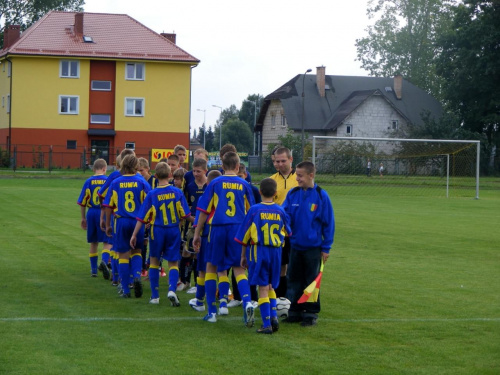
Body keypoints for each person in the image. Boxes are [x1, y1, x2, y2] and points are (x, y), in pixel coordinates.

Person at [193, 151, 255, 324]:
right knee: (239, 269)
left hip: (217, 229)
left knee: (211, 267)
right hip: (238, 230)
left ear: (222, 166)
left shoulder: (215, 183)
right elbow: (252, 212)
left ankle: (212, 312)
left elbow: (204, 211)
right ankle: (247, 302)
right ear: (237, 166)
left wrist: (197, 234)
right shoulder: (244, 184)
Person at [130, 162, 191, 305]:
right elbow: (185, 214)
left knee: (154, 262)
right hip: (173, 230)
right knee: (173, 262)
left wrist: (134, 234)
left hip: (157, 230)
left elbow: (141, 217)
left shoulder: (152, 194)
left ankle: (155, 296)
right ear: (170, 175)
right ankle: (171, 290)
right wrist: (196, 221)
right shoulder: (177, 192)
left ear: (155, 176)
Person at [236, 178, 291, 334]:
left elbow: (244, 236)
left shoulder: (254, 210)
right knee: (270, 285)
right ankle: (273, 317)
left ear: (260, 192)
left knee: (262, 287)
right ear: (275, 193)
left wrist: (243, 256)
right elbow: (288, 232)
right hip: (275, 252)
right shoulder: (281, 210)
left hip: (258, 251)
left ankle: (266, 324)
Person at [282, 161, 335, 326]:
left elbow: (329, 223)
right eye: (296, 175)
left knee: (311, 281)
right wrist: (287, 229)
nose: (297, 178)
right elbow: (284, 214)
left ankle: (310, 314)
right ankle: (294, 311)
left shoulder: (321, 195)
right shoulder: (293, 194)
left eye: (300, 175)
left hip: (313, 248)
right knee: (294, 279)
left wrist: (326, 248)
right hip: (295, 246)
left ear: (311, 175)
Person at [103, 154, 151, 298]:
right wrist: (148, 220)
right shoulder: (142, 182)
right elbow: (150, 202)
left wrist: (107, 224)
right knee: (136, 251)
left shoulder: (116, 182)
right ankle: (136, 276)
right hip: (138, 222)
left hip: (122, 221)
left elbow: (108, 205)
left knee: (123, 255)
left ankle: (126, 289)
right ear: (136, 166)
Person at [189, 170, 221, 312]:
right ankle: (224, 301)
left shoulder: (205, 196)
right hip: (222, 235)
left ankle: (200, 301)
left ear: (208, 182)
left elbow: (199, 220)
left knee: (203, 269)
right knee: (221, 271)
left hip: (207, 235)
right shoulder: (224, 196)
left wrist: (196, 234)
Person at [269, 147, 298, 298]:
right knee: (280, 265)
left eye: (283, 161)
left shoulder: (299, 179)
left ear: (291, 159)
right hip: (278, 232)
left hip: (298, 230)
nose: (280, 164)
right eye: (277, 161)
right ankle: (281, 297)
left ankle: (295, 297)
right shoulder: (272, 180)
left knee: (297, 266)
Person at [77, 158, 111, 279]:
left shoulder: (88, 181)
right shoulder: (108, 180)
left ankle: (93, 270)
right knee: (107, 241)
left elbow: (82, 202)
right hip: (105, 212)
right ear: (104, 169)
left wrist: (83, 218)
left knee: (93, 242)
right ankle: (105, 262)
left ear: (93, 169)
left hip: (91, 212)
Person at [179, 158, 208, 293]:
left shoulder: (210, 185)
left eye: (199, 171)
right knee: (186, 251)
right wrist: (187, 217)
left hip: (206, 224)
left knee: (198, 253)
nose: (196, 174)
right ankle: (184, 281)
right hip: (191, 223)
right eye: (194, 171)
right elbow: (183, 203)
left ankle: (198, 283)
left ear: (205, 171)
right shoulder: (189, 186)